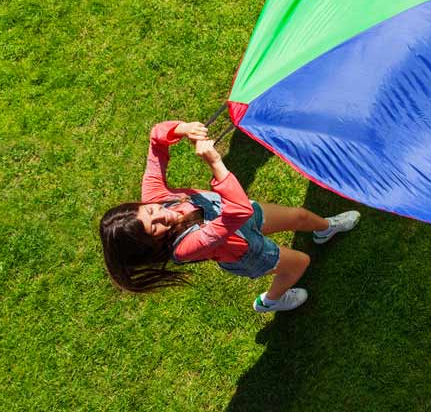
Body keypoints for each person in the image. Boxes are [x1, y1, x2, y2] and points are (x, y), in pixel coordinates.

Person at [99, 120, 360, 313]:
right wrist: (215, 162)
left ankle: (325, 229)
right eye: (153, 227)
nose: (161, 215)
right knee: (301, 262)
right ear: (148, 243)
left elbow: (156, 138)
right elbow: (238, 210)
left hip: (243, 220)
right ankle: (271, 301)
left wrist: (183, 129)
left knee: (300, 216)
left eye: (150, 211)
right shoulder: (186, 248)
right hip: (247, 251)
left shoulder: (154, 195)